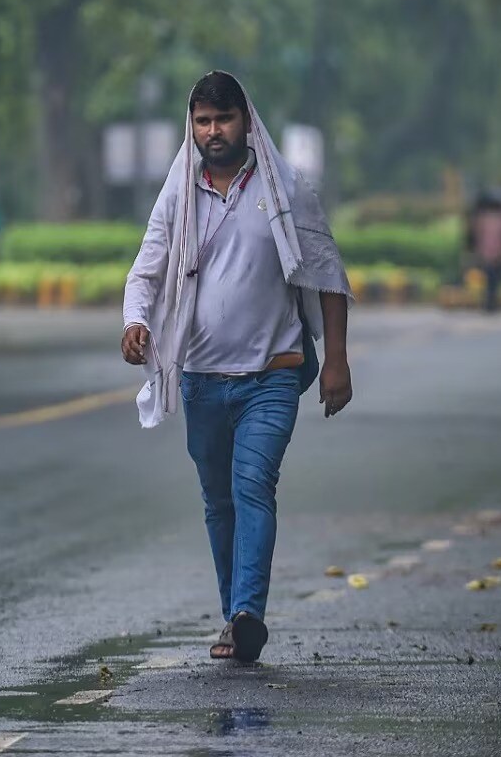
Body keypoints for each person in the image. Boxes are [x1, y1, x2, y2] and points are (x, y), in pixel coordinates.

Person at [120, 71, 353, 663]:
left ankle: (249, 609)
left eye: (223, 119)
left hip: (272, 374)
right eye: (203, 121)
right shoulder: (178, 195)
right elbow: (147, 266)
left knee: (253, 486)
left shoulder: (286, 191)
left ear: (246, 121)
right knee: (217, 500)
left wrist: (338, 364)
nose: (214, 131)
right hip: (200, 378)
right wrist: (134, 321)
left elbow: (327, 273)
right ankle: (235, 618)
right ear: (191, 126)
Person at [467, 192, 501, 313]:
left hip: (489, 250)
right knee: (493, 278)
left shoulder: (482, 218)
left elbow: (476, 233)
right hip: (496, 250)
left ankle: (489, 303)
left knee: (490, 278)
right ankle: (491, 303)